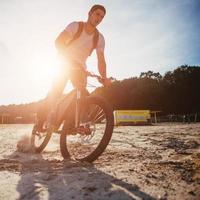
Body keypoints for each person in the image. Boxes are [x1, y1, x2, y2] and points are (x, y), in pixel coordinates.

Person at [37, 4, 110, 129]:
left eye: (102, 17)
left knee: (83, 94)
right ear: (90, 13)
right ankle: (39, 122)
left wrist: (104, 77)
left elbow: (101, 60)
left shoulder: (99, 38)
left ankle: (72, 125)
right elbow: (59, 42)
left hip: (79, 68)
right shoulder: (76, 26)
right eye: (97, 14)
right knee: (55, 94)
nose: (99, 18)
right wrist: (67, 59)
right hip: (63, 64)